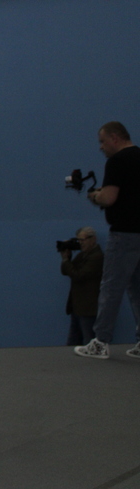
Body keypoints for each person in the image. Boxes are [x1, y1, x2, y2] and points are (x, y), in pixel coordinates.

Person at [75, 121, 140, 359]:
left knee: (111, 287)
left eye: (102, 142)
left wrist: (95, 196)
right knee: (138, 289)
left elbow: (110, 198)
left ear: (115, 138)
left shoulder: (117, 161)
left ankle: (100, 341)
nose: (101, 147)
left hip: (124, 234)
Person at [61, 227, 103, 346]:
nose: (80, 243)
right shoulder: (82, 255)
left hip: (89, 307)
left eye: (83, 240)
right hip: (78, 306)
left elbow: (78, 276)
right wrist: (66, 259)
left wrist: (66, 261)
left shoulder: (97, 257)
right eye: (78, 240)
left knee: (88, 341)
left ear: (93, 239)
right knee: (74, 341)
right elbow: (66, 271)